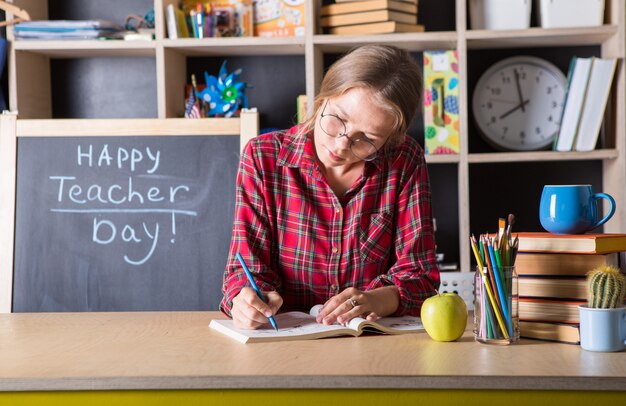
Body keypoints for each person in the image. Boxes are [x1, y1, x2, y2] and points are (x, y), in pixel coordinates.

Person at [220, 44, 440, 329]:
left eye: (367, 139)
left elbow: (420, 277)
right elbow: (243, 270)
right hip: (282, 344)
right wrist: (244, 300)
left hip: (371, 346)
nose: (341, 144)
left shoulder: (403, 159)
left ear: (390, 139)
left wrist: (376, 299)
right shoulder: (263, 158)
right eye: (338, 119)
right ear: (323, 97)